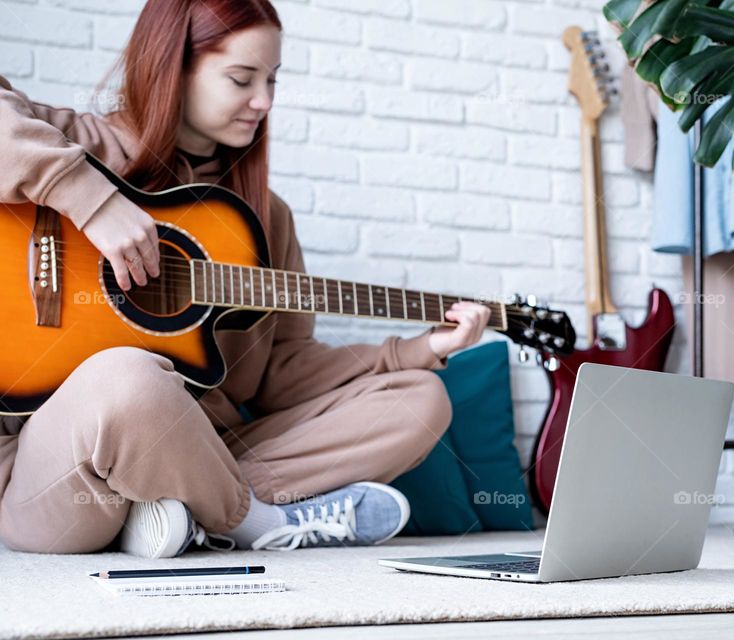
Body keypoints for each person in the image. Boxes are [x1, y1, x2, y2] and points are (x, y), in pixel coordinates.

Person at [0, 0, 490, 558]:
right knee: (129, 377)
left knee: (420, 399)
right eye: (241, 78)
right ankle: (252, 521)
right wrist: (90, 200)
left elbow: (282, 372)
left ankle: (176, 512)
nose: (264, 102)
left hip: (211, 447)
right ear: (171, 66)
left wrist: (421, 347)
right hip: (64, 483)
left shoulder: (266, 216)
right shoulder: (75, 143)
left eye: (273, 80)